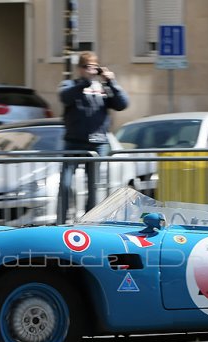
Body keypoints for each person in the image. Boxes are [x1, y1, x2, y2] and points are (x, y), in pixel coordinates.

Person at [57, 51, 129, 223]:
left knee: (94, 187)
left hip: (97, 144)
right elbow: (64, 97)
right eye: (87, 67)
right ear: (80, 69)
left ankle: (90, 222)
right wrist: (85, 82)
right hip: (73, 143)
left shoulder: (102, 89)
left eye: (93, 67)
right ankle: (61, 221)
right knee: (66, 184)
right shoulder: (70, 85)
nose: (90, 70)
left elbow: (122, 104)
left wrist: (112, 82)